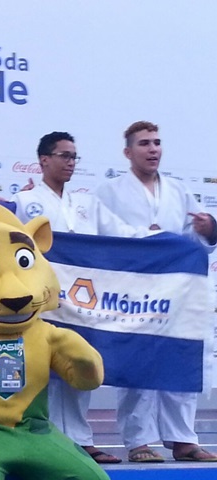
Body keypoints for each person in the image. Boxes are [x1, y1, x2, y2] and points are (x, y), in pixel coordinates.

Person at [12, 131, 143, 464]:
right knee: (44, 372)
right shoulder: (25, 202)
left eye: (74, 157)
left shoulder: (86, 203)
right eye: (64, 156)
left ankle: (81, 440)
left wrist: (164, 241)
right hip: (41, 301)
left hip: (83, 300)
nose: (71, 162)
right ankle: (48, 441)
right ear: (44, 159)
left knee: (77, 366)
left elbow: (122, 234)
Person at [96, 121, 217, 463]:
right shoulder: (109, 192)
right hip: (133, 294)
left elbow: (196, 244)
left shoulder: (178, 191)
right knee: (139, 366)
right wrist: (142, 237)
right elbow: (102, 235)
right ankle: (139, 441)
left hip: (175, 292)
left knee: (179, 360)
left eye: (157, 143)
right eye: (145, 143)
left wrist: (209, 231)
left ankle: (183, 439)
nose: (153, 149)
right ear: (128, 152)